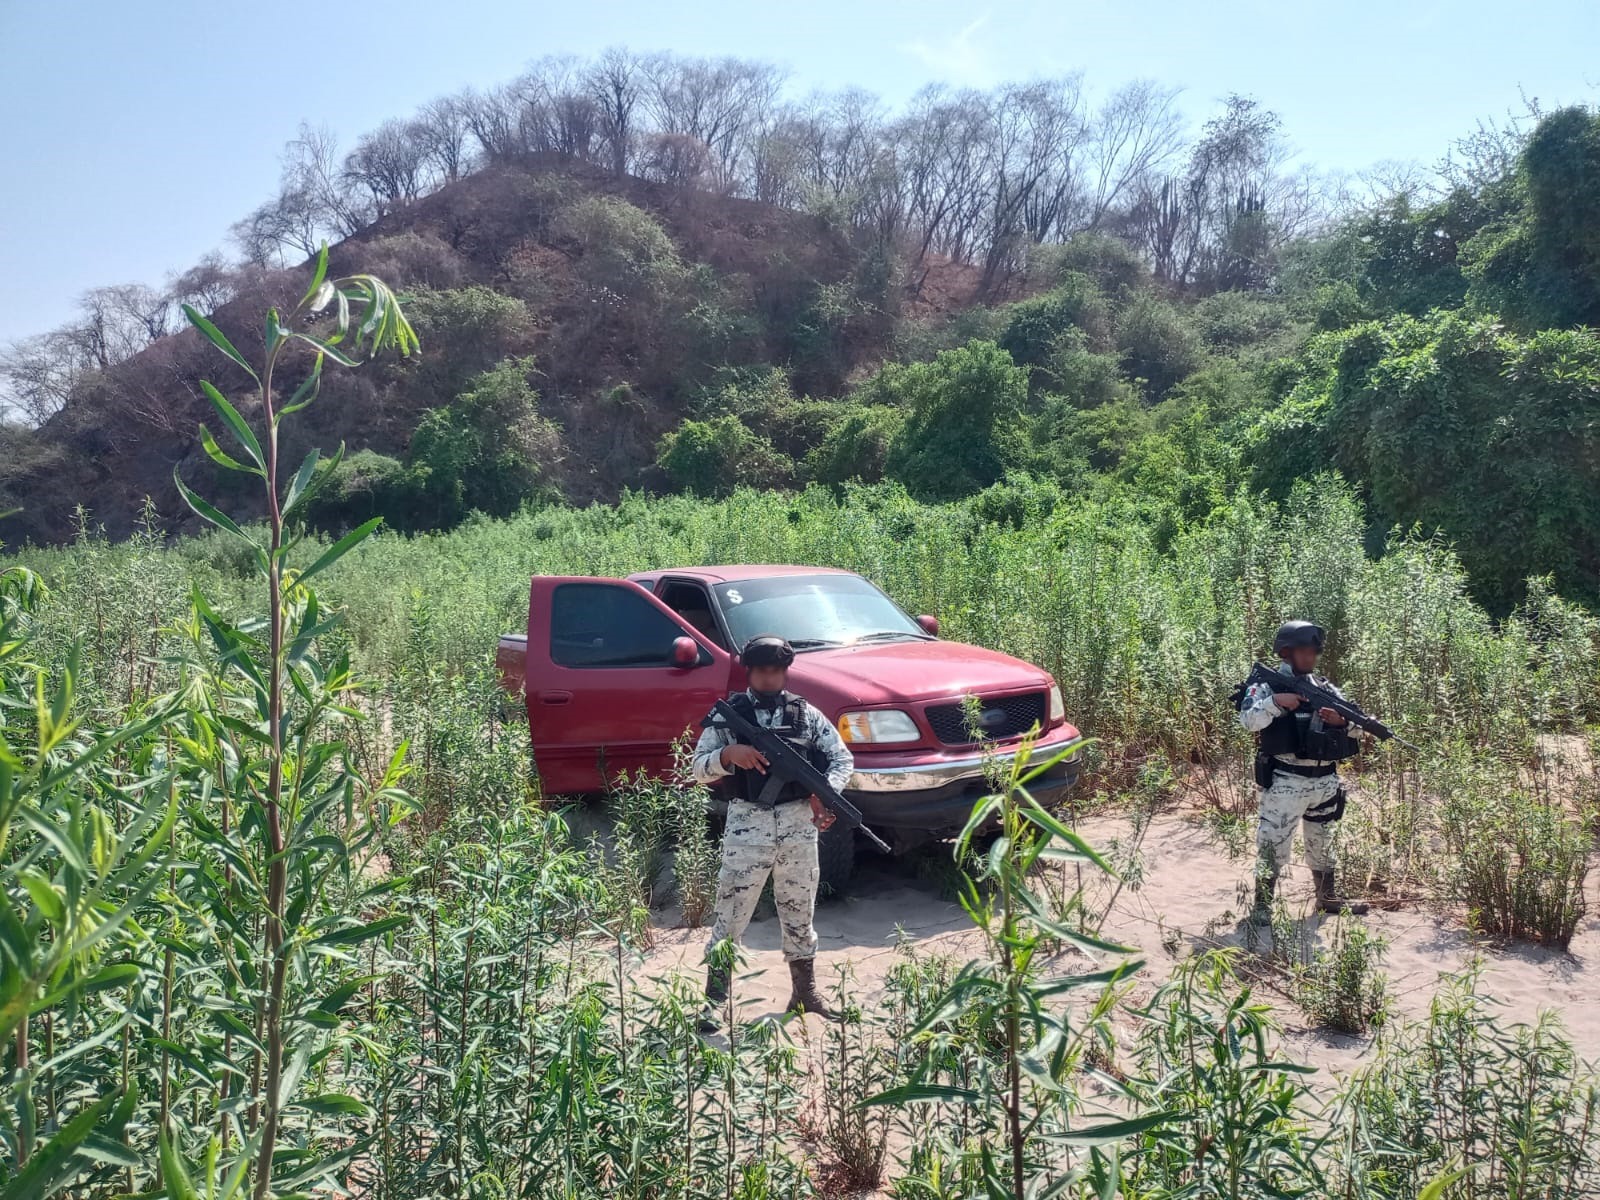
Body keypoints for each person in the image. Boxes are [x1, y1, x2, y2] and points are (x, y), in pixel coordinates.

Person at [690, 634, 855, 1028]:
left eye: (776, 670)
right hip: (748, 826)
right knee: (731, 916)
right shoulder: (731, 715)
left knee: (800, 912)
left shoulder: (806, 715)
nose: (769, 678)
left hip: (799, 825)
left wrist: (824, 794)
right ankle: (714, 1002)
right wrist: (729, 756)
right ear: (750, 671)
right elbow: (698, 768)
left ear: (785, 672)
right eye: (762, 670)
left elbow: (840, 758)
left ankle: (805, 993)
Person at [1235, 620, 1369, 924]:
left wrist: (1340, 722)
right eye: (1304, 652)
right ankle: (1262, 907)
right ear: (1286, 653)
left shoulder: (1324, 687)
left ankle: (1327, 898)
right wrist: (1274, 702)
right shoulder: (1266, 685)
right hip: (1286, 781)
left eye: (1314, 652)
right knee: (1273, 844)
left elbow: (1359, 726)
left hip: (1325, 782)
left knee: (1324, 842)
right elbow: (1248, 720)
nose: (1311, 658)